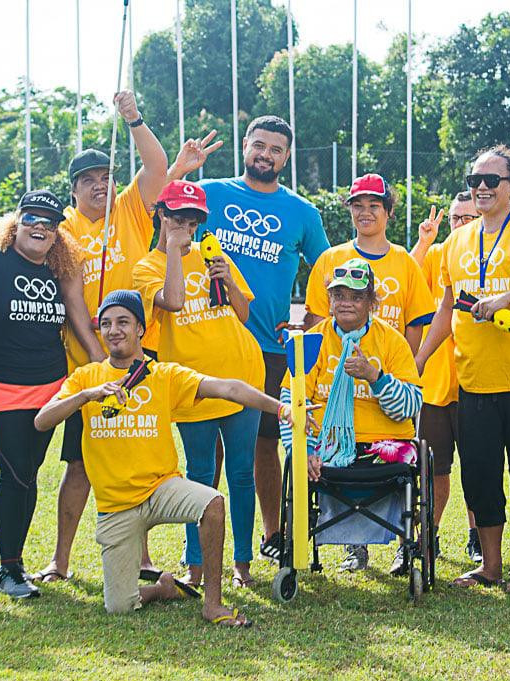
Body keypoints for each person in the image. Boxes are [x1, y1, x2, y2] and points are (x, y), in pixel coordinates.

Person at [34, 290, 297, 627]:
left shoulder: (164, 375)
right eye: (107, 323)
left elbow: (229, 388)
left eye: (123, 322)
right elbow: (42, 421)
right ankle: (163, 589)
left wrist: (281, 408)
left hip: (161, 489)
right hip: (116, 505)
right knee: (119, 606)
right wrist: (87, 396)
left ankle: (213, 605)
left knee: (212, 503)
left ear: (140, 329)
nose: (114, 330)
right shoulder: (87, 378)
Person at [415, 145, 510, 593]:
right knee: (480, 474)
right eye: (474, 180)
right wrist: (420, 359)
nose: (481, 188)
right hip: (475, 379)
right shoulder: (457, 242)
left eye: (491, 180)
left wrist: (509, 298)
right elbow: (447, 306)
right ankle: (490, 565)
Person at [172, 115, 330, 563]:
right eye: (259, 145)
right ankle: (200, 547)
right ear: (245, 146)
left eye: (276, 149)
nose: (266, 154)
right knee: (206, 451)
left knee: (263, 444)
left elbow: (326, 272)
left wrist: (307, 324)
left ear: (287, 157)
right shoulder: (210, 193)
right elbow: (157, 213)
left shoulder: (302, 212)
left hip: (268, 348)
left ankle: (271, 533)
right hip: (204, 341)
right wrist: (180, 170)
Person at [37, 89, 174, 584]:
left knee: (139, 459)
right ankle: (60, 559)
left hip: (141, 358)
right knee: (79, 465)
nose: (99, 186)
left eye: (105, 177)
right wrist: (100, 362)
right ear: (73, 189)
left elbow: (157, 166)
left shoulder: (130, 208)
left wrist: (133, 118)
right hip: (88, 366)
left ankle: (142, 558)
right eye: (87, 180)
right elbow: (73, 303)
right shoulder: (64, 229)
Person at [0, 190, 96, 598]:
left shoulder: (58, 269)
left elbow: (77, 314)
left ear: (57, 234)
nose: (40, 227)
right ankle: (9, 570)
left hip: (50, 387)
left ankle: (15, 564)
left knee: (29, 473)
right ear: (15, 223)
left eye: (50, 222)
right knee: (16, 475)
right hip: (0, 388)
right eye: (31, 218)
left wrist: (102, 359)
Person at [132, 180, 265, 589]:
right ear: (161, 214)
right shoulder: (145, 268)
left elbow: (243, 313)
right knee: (199, 477)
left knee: (241, 474)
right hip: (192, 385)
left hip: (242, 375)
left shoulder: (214, 254)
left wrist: (228, 279)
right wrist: (174, 250)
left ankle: (242, 563)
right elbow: (172, 302)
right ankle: (197, 565)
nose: (186, 227)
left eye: (193, 220)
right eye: (178, 217)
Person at [278, 259, 423, 572]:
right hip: (327, 444)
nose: (346, 303)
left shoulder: (391, 341)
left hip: (383, 443)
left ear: (371, 302)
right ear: (329, 300)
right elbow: (290, 402)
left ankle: (405, 546)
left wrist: (375, 377)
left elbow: (411, 405)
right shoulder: (311, 341)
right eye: (339, 295)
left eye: (356, 297)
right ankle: (352, 546)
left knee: (406, 458)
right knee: (305, 458)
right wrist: (303, 450)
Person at [409, 191, 482, 564]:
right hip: (434, 387)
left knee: (477, 468)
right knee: (433, 468)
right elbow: (405, 276)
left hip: (474, 382)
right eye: (456, 218)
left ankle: (477, 536)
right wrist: (424, 241)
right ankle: (429, 535)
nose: (461, 224)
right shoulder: (437, 254)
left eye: (469, 218)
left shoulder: (488, 255)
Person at [304, 174, 433, 353]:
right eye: (358, 206)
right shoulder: (330, 259)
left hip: (387, 367)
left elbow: (414, 323)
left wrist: (404, 365)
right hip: (338, 365)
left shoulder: (405, 262)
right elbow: (318, 320)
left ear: (388, 210)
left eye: (374, 206)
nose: (365, 212)